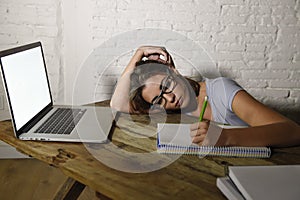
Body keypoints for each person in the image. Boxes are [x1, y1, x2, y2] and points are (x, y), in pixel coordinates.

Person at [110, 46, 300, 147]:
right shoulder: (175, 109)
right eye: (159, 100)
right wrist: (138, 54)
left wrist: (224, 137)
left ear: (172, 70)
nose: (169, 99)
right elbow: (117, 105)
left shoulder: (221, 90)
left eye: (166, 86)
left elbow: (292, 131)